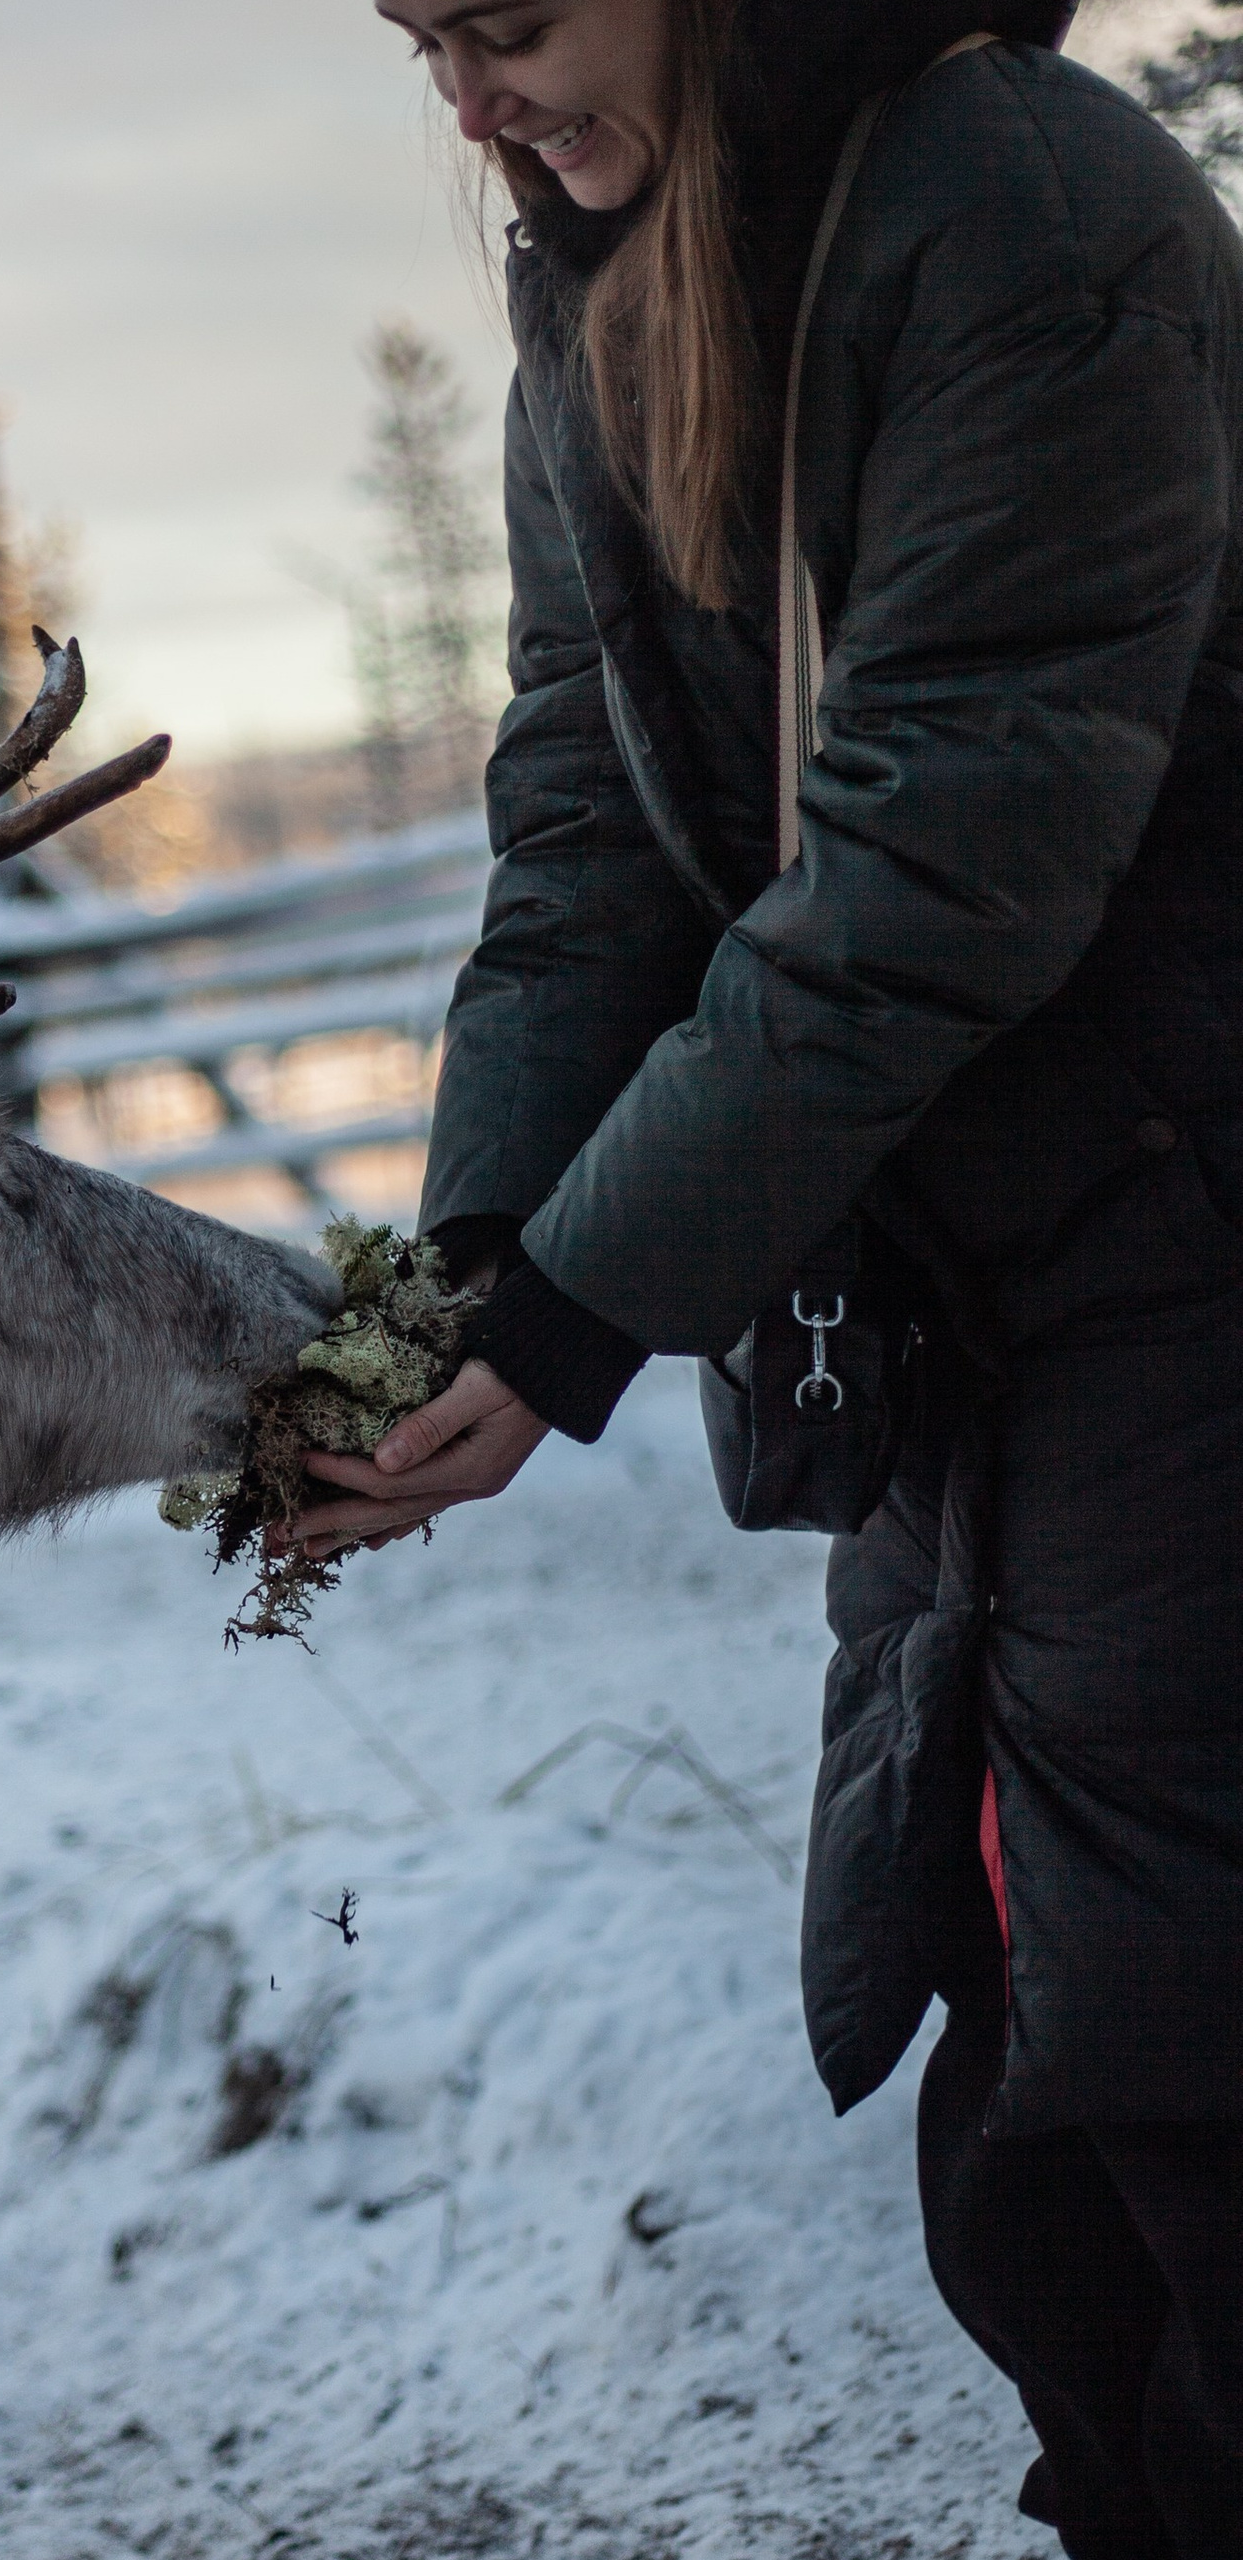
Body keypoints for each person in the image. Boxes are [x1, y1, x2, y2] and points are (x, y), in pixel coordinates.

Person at [293, 0, 1243, 2547]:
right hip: (963, 1298)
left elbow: (943, 855)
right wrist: (472, 1269)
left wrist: (578, 1309)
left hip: (1184, 1246)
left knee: (1181, 2060)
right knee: (1013, 2040)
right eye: (420, 46)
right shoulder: (614, 301)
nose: (468, 106)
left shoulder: (1027, 222)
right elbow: (589, 810)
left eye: (503, 23)